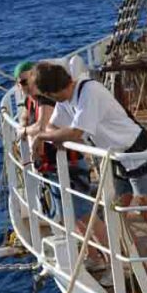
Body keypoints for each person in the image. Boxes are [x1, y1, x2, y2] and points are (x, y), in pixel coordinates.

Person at [31, 61, 147, 293]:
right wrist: (46, 134)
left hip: (138, 154)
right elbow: (55, 125)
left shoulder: (89, 93)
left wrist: (42, 136)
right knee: (117, 215)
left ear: (51, 93)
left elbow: (74, 133)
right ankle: (140, 269)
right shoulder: (68, 101)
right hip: (117, 159)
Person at [15, 61, 91, 221]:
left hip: (68, 164)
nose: (27, 84)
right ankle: (89, 247)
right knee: (72, 219)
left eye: (30, 79)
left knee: (83, 217)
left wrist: (24, 131)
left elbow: (42, 126)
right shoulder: (31, 100)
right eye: (23, 82)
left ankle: (101, 244)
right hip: (52, 166)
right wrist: (23, 123)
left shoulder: (44, 99)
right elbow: (25, 115)